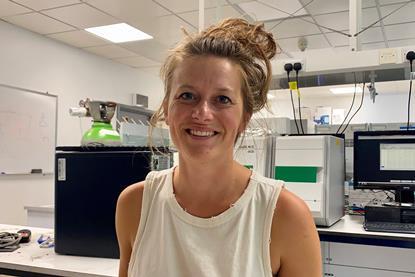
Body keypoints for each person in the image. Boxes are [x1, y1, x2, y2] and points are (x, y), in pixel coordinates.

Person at [115, 18, 322, 277]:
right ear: (167, 109)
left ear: (244, 118)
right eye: (187, 96)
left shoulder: (285, 217)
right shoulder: (135, 205)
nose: (202, 113)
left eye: (222, 99)